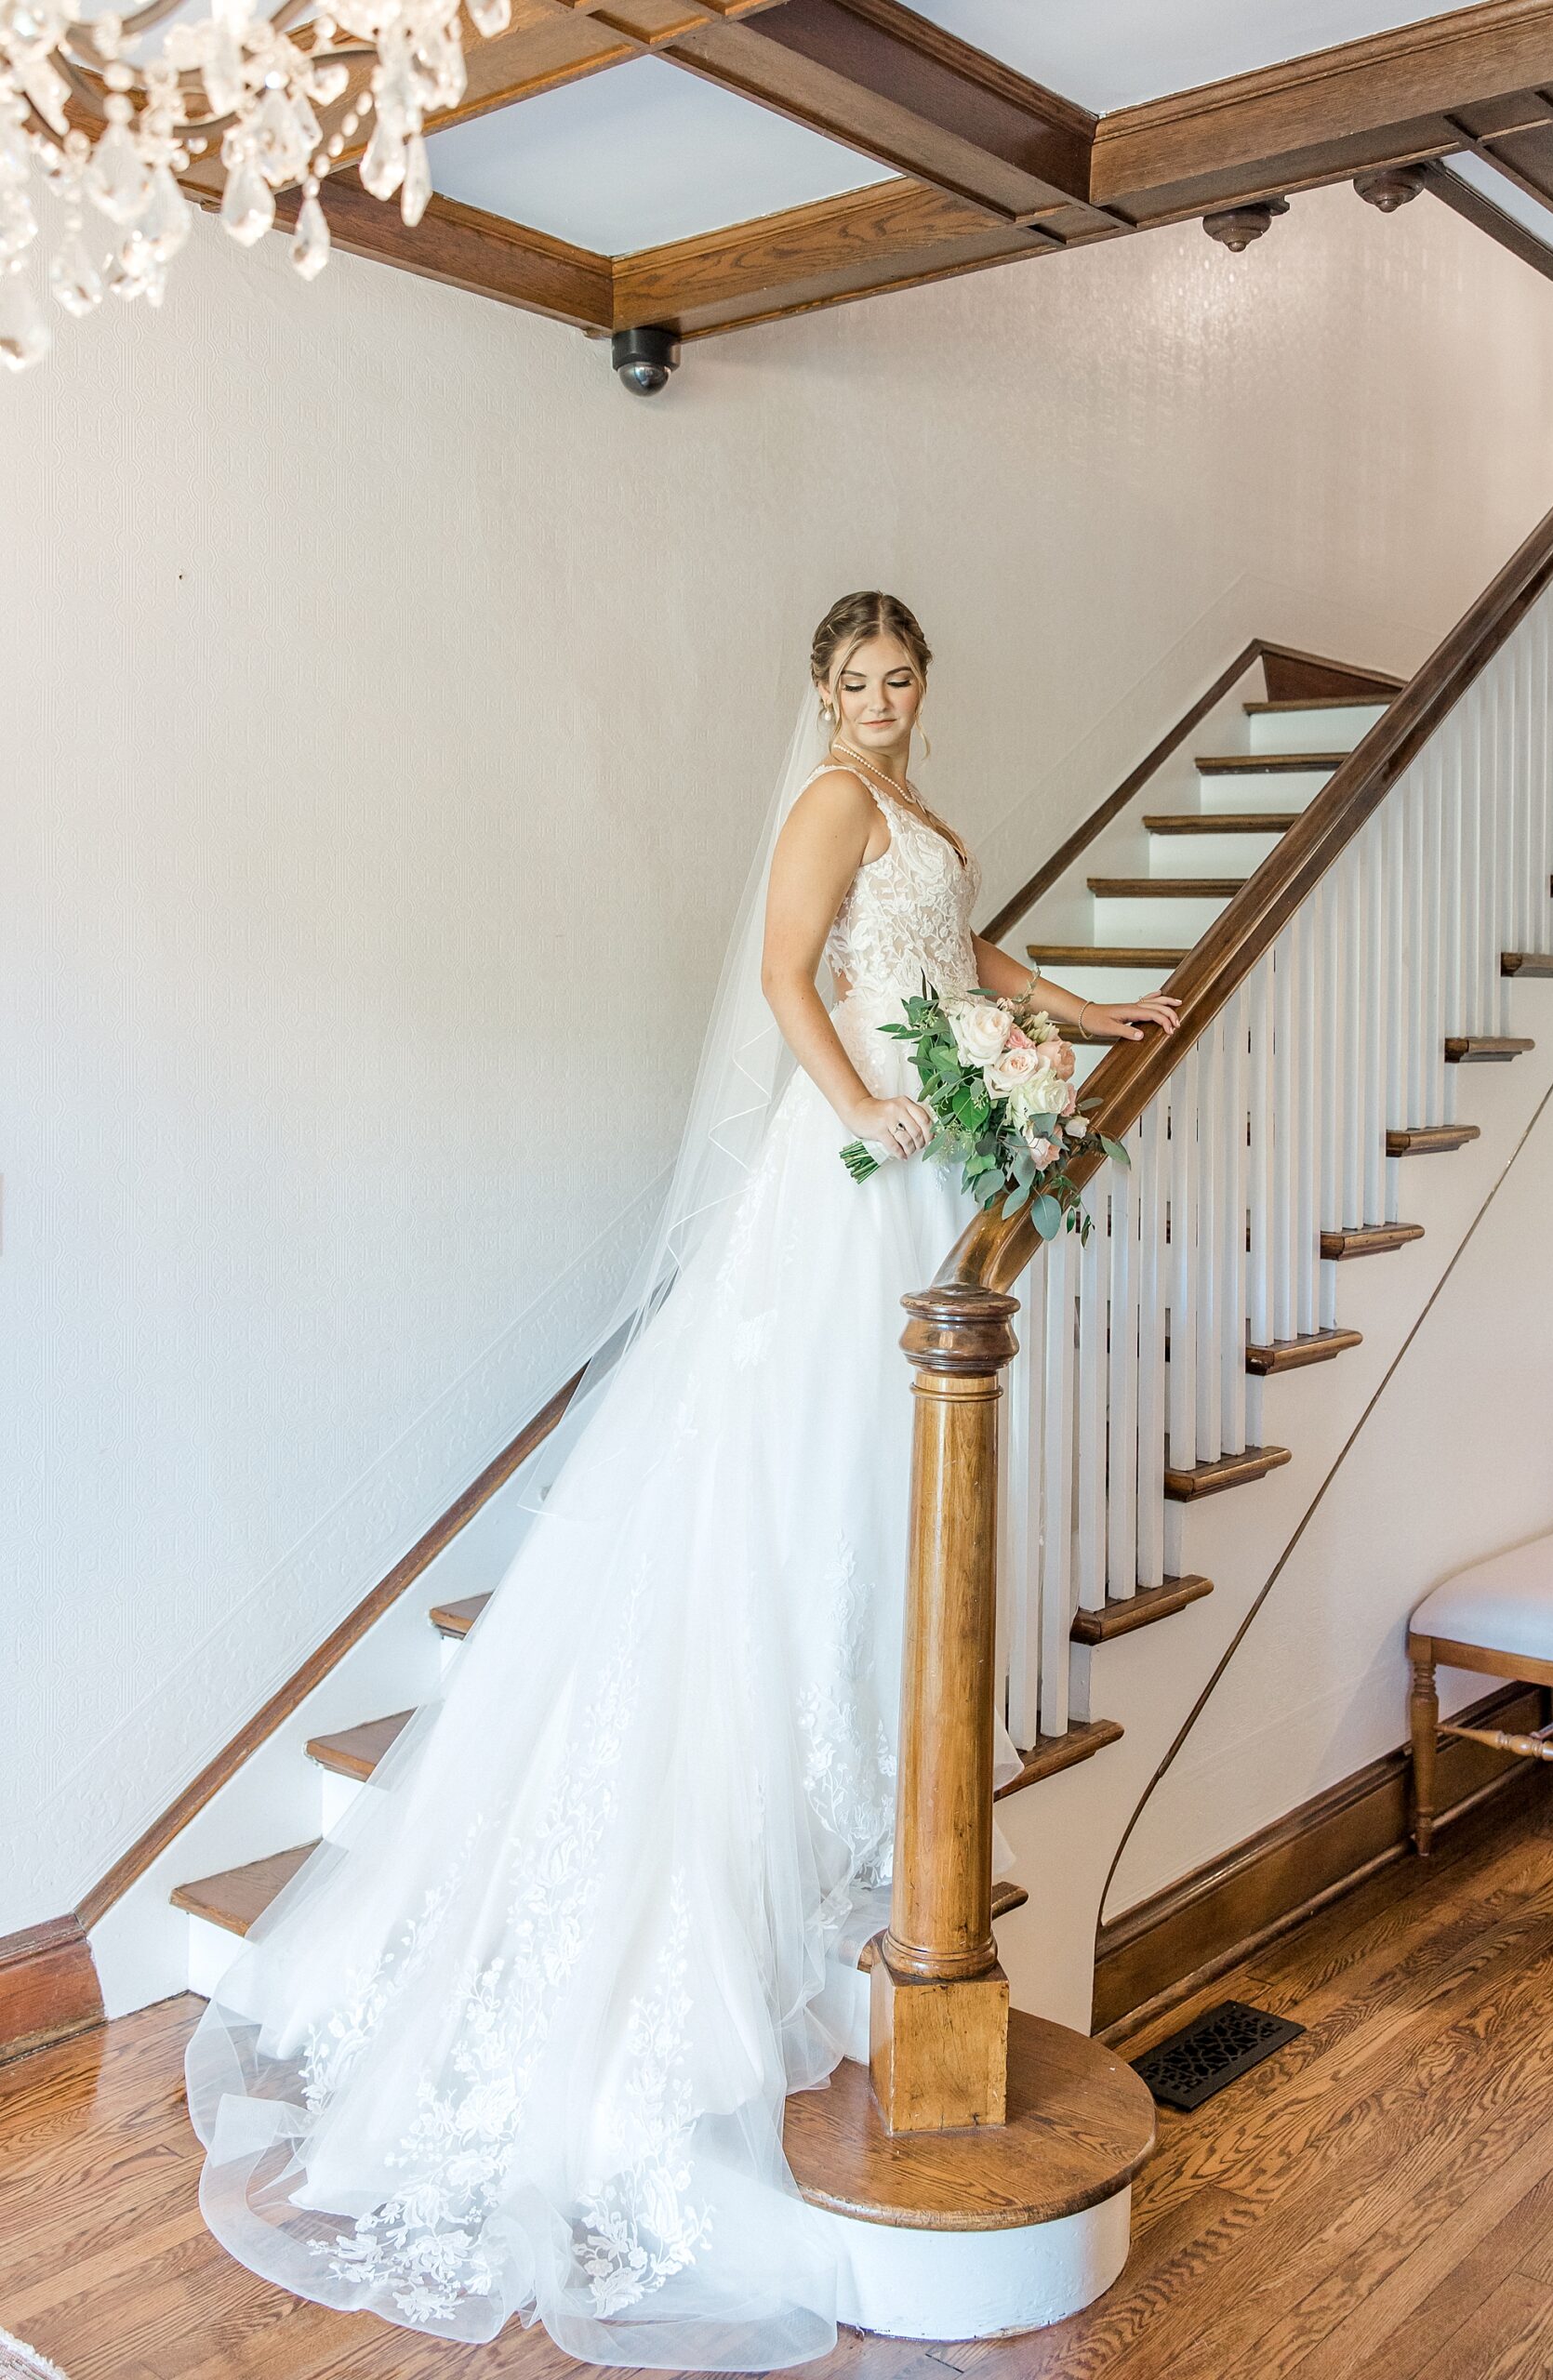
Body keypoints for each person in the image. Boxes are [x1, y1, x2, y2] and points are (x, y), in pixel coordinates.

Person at [183, 590, 1179, 2370]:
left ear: (924, 687)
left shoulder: (928, 821)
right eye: (853, 683)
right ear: (821, 693)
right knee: (811, 1486)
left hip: (926, 1164)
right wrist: (871, 1112)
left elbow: (967, 974)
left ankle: (873, 1807)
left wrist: (1092, 1014)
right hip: (849, 1179)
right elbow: (795, 983)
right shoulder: (824, 809)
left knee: (899, 1485)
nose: (877, 703)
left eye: (899, 679)